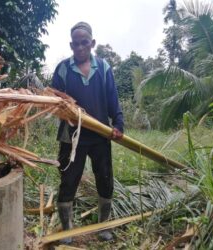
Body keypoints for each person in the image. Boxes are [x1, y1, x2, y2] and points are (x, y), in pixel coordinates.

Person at [51, 21, 124, 243]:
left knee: (104, 178)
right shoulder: (63, 69)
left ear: (92, 43)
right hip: (71, 138)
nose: (80, 48)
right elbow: (54, 102)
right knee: (68, 180)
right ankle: (67, 228)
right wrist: (65, 111)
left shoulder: (103, 68)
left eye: (85, 43)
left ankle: (103, 227)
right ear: (71, 45)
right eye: (76, 44)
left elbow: (112, 99)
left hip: (100, 135)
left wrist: (118, 123)